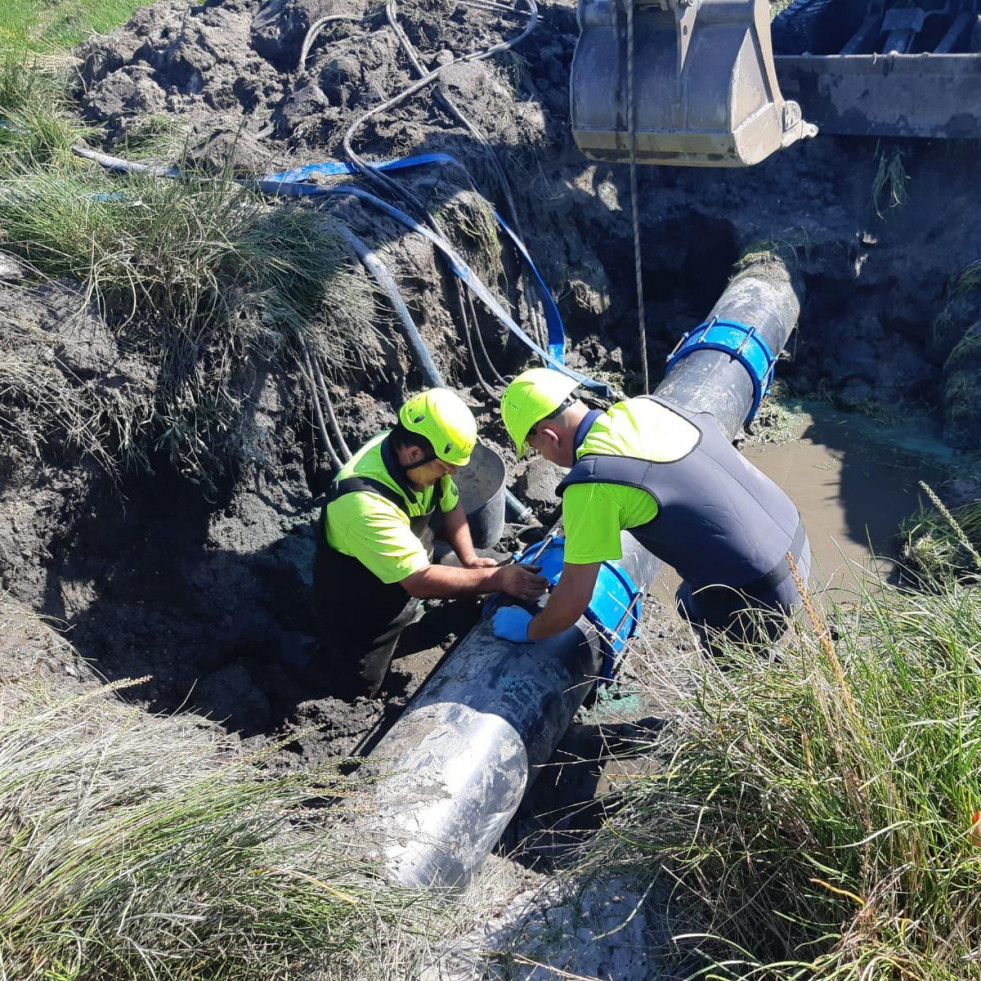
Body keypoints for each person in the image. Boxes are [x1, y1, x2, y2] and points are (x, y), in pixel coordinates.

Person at [493, 368, 809, 653]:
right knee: (690, 599)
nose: (544, 458)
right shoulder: (644, 406)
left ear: (549, 436)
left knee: (730, 659)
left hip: (759, 594)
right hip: (795, 539)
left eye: (536, 449)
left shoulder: (591, 485)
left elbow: (570, 604)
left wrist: (529, 629)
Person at [314, 388, 547, 699]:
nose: (450, 474)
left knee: (489, 566)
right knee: (358, 690)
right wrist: (495, 579)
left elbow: (450, 505)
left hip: (412, 563)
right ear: (413, 453)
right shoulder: (363, 503)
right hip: (364, 602)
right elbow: (419, 581)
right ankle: (298, 655)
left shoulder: (423, 458)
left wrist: (470, 560)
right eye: (446, 466)